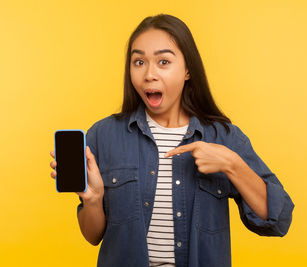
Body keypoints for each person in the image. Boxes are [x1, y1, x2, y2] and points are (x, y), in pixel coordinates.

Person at [49, 14, 294, 267]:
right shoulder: (103, 136)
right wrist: (93, 199)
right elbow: (92, 235)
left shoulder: (224, 138)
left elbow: (279, 219)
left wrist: (232, 163)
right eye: (139, 61)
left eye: (163, 61)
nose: (149, 74)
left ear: (188, 70)